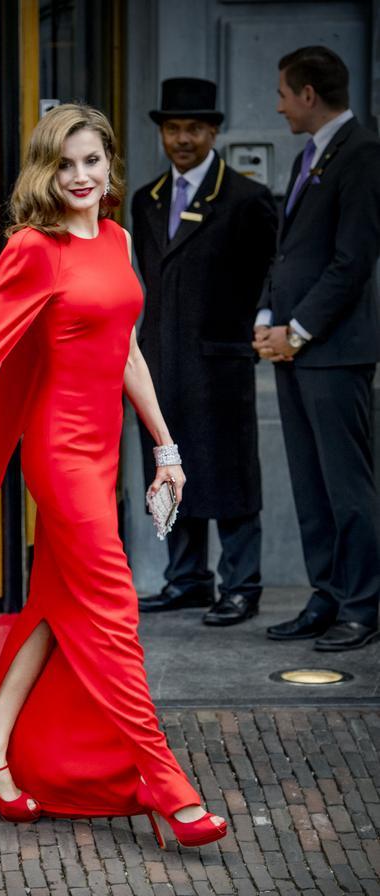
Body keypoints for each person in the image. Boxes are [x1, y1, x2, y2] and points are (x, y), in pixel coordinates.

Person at [0, 104, 228, 850]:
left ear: (110, 167)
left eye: (92, 162)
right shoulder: (32, 250)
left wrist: (165, 447)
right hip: (57, 451)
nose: (79, 177)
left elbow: (127, 350)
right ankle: (169, 785)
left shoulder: (118, 237)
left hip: (102, 449)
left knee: (57, 601)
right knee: (114, 611)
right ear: (47, 169)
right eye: (64, 164)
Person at [132, 78, 277, 626]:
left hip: (219, 362)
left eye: (194, 128)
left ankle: (242, 585)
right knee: (173, 466)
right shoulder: (146, 200)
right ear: (162, 133)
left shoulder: (245, 198)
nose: (183, 138)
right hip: (163, 360)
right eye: (173, 128)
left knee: (231, 475)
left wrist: (262, 322)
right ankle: (186, 580)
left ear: (213, 132)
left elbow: (270, 272)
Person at [254, 46, 380, 652]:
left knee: (347, 488)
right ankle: (326, 596)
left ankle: (361, 605)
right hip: (295, 348)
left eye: (283, 93)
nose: (277, 105)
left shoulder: (362, 153)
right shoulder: (311, 153)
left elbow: (352, 261)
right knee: (310, 487)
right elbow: (291, 253)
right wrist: (266, 319)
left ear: (307, 94)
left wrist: (296, 330)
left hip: (334, 352)